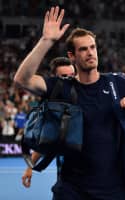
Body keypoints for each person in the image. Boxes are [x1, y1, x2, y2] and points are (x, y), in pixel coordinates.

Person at [14, 6, 125, 200]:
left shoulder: (117, 82)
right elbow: (22, 80)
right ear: (72, 56)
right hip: (71, 190)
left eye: (92, 47)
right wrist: (46, 40)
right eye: (83, 49)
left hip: (115, 190)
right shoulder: (62, 88)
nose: (90, 53)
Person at [21, 56, 75, 188]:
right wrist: (30, 167)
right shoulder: (51, 106)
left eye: (72, 75)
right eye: (64, 76)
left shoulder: (87, 92)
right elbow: (47, 136)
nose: (70, 80)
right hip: (68, 172)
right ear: (54, 79)